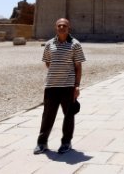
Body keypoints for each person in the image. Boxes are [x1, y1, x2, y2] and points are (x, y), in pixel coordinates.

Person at [34, 18, 86, 154]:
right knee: (47, 115)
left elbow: (78, 67)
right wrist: (57, 72)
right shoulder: (49, 44)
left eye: (64, 25)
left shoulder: (75, 44)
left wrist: (77, 86)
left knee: (69, 115)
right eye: (59, 25)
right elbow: (47, 62)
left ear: (69, 28)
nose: (62, 27)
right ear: (56, 28)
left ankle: (66, 142)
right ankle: (42, 143)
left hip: (68, 86)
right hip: (51, 85)